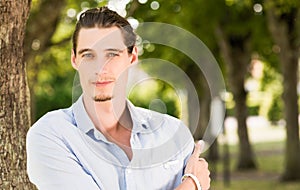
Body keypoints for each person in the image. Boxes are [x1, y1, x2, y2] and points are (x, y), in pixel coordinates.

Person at [26, 6, 210, 190]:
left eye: (112, 54)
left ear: (132, 57)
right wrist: (192, 184)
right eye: (88, 55)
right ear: (75, 59)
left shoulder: (174, 133)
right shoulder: (51, 135)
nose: (100, 68)